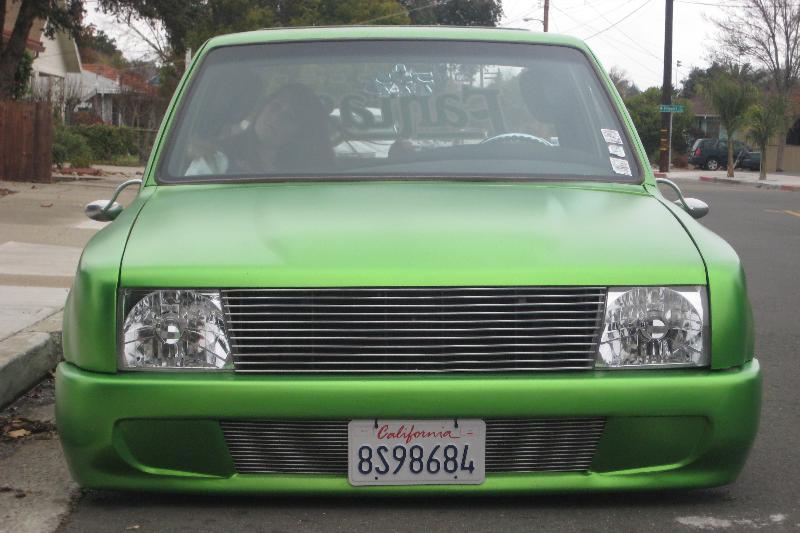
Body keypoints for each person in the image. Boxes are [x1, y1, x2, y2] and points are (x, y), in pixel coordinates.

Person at [185, 82, 334, 176]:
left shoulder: (309, 173)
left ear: (299, 133)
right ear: (263, 106)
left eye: (289, 116)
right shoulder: (218, 159)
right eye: (276, 106)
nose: (276, 118)